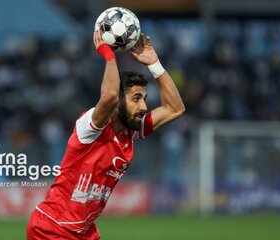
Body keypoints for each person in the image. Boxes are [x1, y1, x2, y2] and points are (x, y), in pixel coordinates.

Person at [26, 30, 185, 240]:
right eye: (136, 98)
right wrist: (108, 55)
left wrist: (154, 64)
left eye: (144, 98)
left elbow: (175, 108)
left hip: (84, 231)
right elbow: (110, 96)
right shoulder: (89, 128)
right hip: (52, 228)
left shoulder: (131, 132)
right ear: (119, 103)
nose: (144, 106)